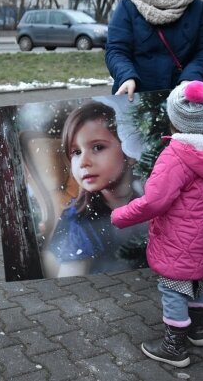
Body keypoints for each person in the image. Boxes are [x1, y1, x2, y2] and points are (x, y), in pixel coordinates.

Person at [111, 81, 203, 368]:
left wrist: (120, 215)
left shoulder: (176, 156)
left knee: (173, 288)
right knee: (197, 281)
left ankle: (174, 347)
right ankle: (197, 331)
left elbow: (154, 201)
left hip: (177, 240)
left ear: (173, 119)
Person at [44, 101, 146, 277]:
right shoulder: (79, 221)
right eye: (76, 152)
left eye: (98, 147)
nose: (83, 162)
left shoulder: (149, 199)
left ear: (129, 152)